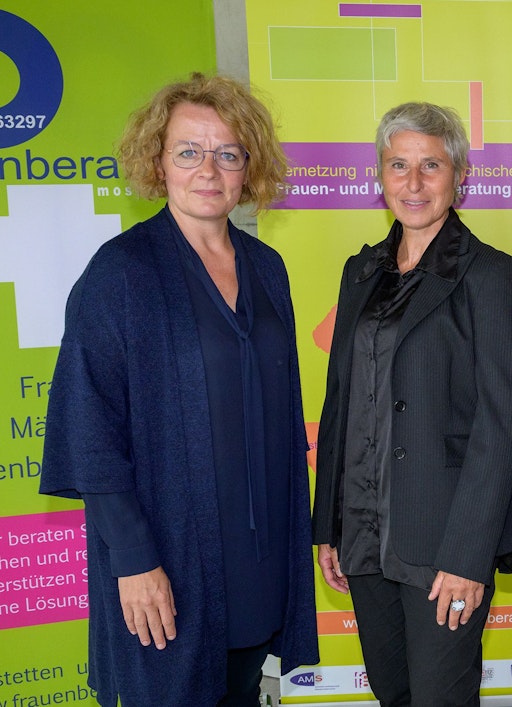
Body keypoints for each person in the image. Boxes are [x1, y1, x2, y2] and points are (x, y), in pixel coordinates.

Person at [40, 73, 319, 706]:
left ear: (250, 166)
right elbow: (89, 431)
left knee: (243, 690)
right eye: (188, 151)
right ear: (157, 161)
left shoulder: (267, 267)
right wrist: (134, 560)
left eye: (228, 153)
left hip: (260, 555)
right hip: (167, 557)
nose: (208, 170)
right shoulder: (120, 272)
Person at [312, 101, 512, 706]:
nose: (413, 183)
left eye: (430, 165)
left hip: (445, 543)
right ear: (380, 175)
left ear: (459, 176)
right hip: (364, 534)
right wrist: (329, 526)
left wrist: (468, 556)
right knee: (393, 694)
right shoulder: (361, 271)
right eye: (398, 165)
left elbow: (500, 425)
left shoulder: (491, 275)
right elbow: (340, 402)